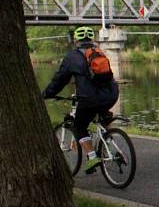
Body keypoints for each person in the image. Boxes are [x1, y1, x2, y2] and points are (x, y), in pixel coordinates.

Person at [42, 26, 119, 174]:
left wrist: (46, 93)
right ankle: (107, 142)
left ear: (76, 40)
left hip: (90, 98)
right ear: (91, 39)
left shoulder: (72, 57)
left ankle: (92, 157)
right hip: (111, 94)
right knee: (100, 117)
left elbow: (60, 80)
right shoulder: (100, 52)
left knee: (79, 126)